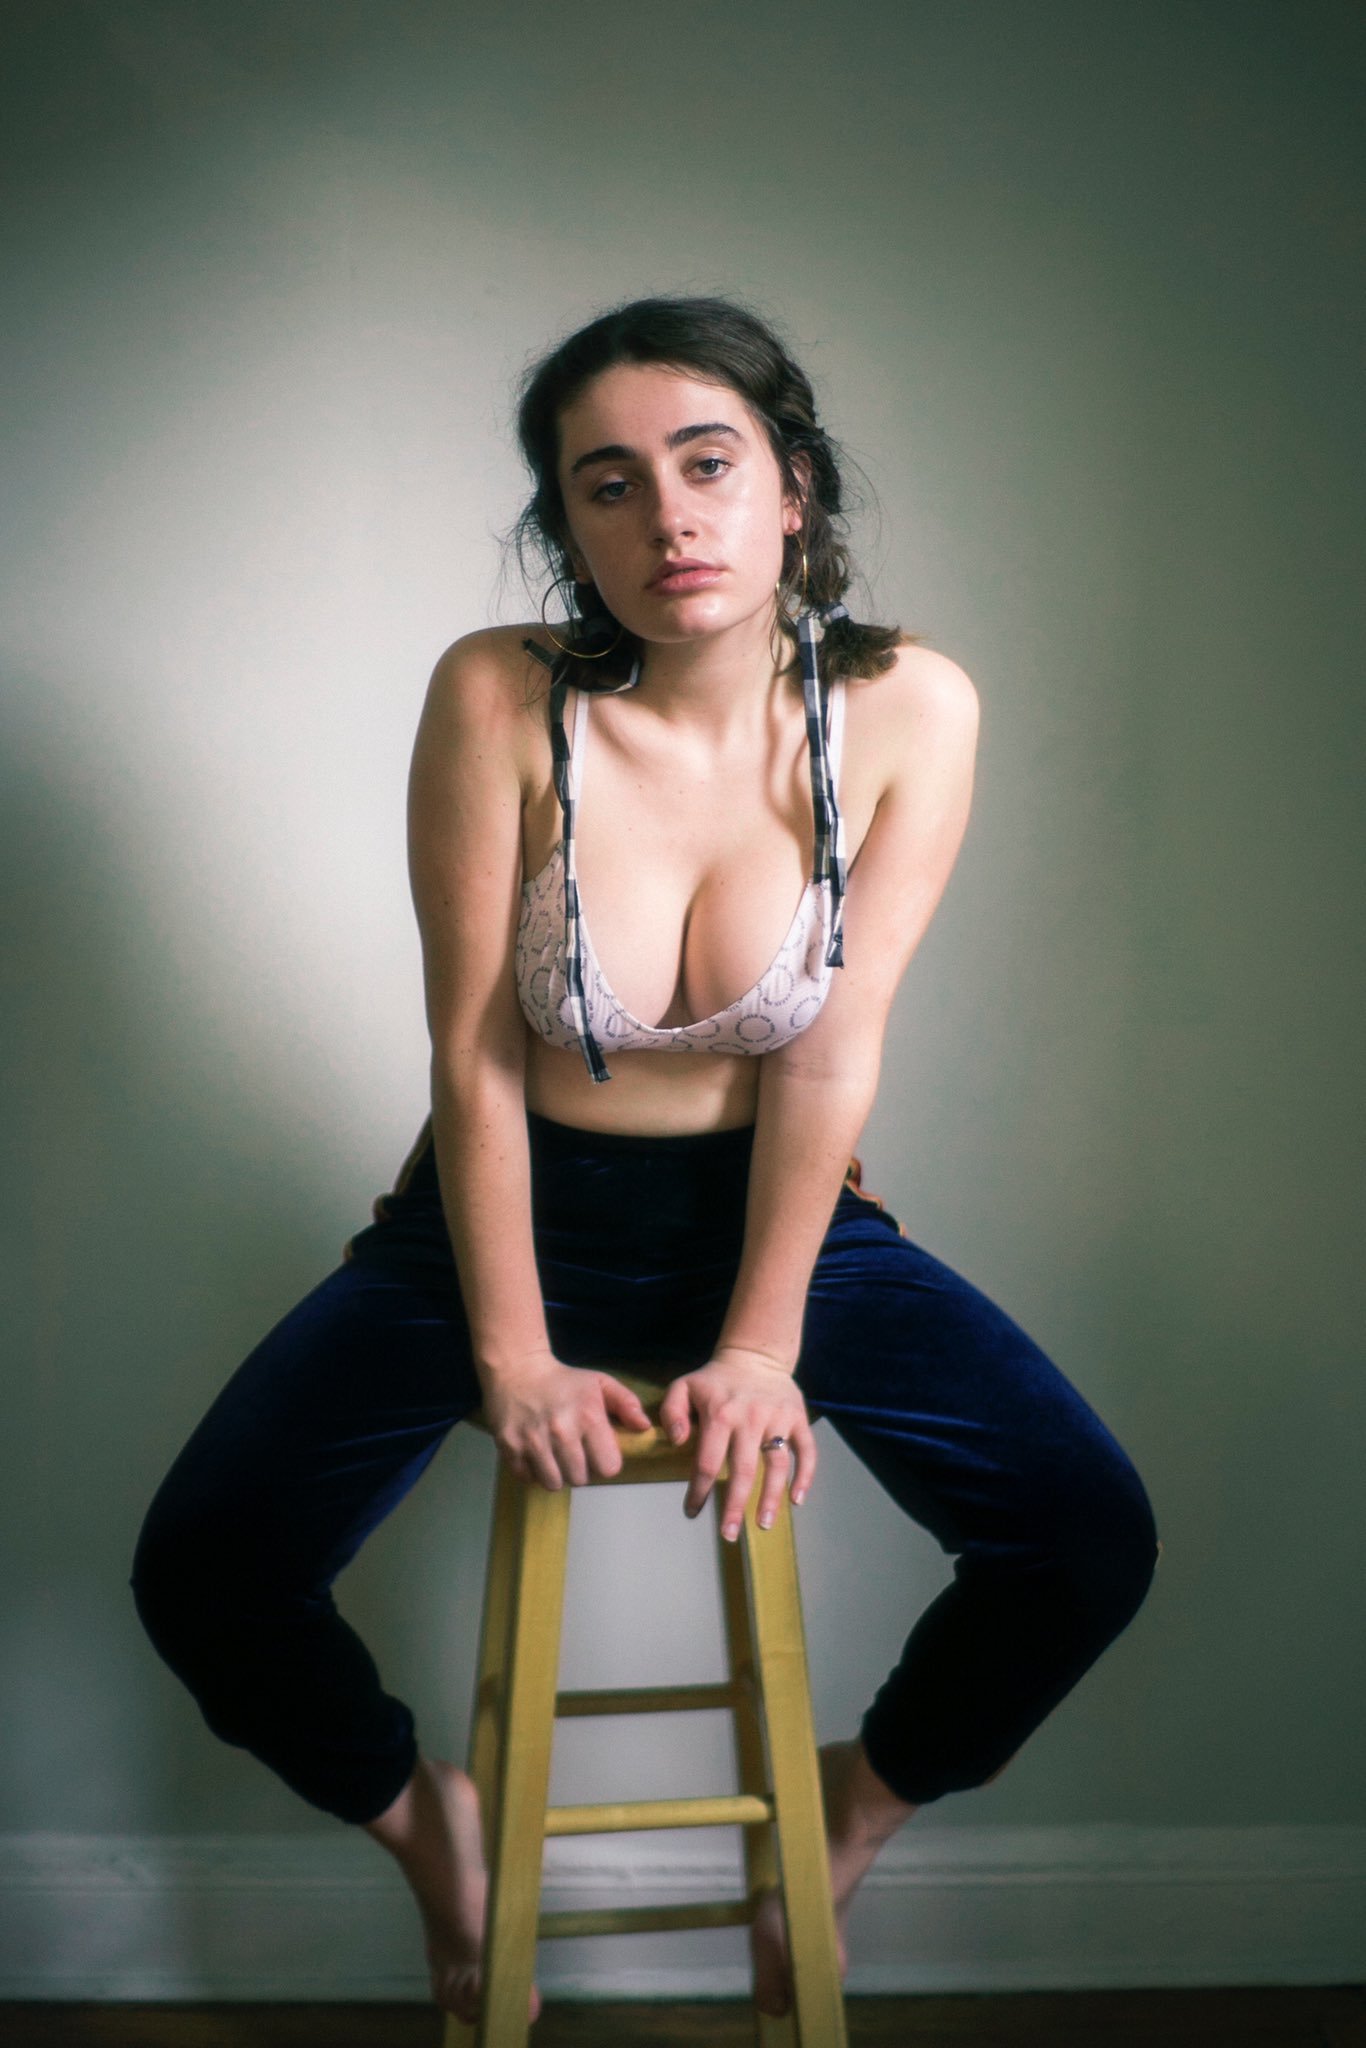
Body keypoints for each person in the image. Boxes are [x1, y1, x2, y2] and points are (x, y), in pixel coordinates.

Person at [130, 293, 1161, 2026]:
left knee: (1080, 1540)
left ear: (792, 487)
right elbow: (474, 1053)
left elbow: (829, 1044)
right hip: (504, 1212)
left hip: (776, 1218)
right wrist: (513, 1350)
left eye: (707, 464)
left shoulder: (909, 710)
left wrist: (759, 1344)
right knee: (208, 1570)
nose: (667, 517)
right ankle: (436, 1833)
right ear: (567, 527)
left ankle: (842, 1820)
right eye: (607, 486)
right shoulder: (498, 695)